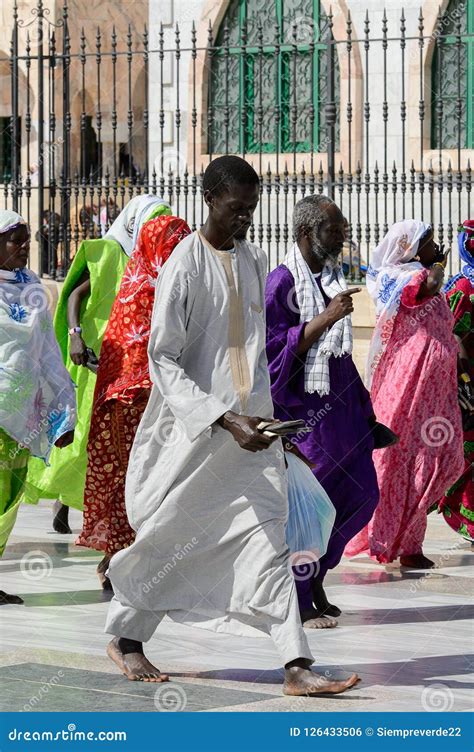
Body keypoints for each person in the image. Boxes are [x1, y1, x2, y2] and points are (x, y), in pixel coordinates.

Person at [104, 156, 359, 696]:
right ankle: (126, 636)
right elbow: (163, 358)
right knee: (171, 538)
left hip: (253, 440)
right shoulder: (184, 265)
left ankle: (295, 663)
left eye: (252, 209)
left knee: (269, 541)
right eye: (237, 208)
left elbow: (255, 359)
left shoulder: (253, 260)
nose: (246, 219)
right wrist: (224, 419)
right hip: (193, 437)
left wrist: (269, 428)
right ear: (210, 198)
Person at [22, 195, 171, 534]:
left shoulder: (153, 262)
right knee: (83, 433)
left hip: (125, 362)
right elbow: (74, 294)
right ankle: (63, 499)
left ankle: (97, 511)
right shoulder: (108, 252)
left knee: (111, 440)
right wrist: (75, 335)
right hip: (91, 357)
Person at [265, 195, 379, 628]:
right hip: (308, 422)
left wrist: (368, 414)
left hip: (344, 418)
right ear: (305, 233)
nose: (342, 236)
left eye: (343, 229)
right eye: (334, 229)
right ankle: (299, 596)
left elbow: (342, 356)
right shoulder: (281, 284)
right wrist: (326, 318)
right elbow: (271, 355)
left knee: (362, 496)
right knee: (310, 513)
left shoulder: (332, 279)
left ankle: (317, 577)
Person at [76, 214, 190, 587]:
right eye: (169, 247)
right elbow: (128, 353)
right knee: (134, 480)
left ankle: (151, 562)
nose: (174, 254)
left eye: (180, 246)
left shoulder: (179, 286)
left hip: (169, 401)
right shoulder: (138, 290)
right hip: (131, 403)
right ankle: (118, 558)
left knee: (168, 480)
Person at [345, 220, 464, 568]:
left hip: (435, 388)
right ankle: (392, 540)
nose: (434, 247)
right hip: (410, 382)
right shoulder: (403, 277)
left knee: (437, 457)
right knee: (402, 458)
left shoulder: (414, 272)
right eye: (428, 242)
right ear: (411, 247)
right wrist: (437, 264)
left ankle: (409, 538)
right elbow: (429, 284)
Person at [0, 210, 76, 604]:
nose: (24, 245)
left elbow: (49, 352)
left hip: (24, 414)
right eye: (15, 238)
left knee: (9, 497)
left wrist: (63, 410)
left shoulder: (31, 287)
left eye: (26, 237)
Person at [437, 220, 474, 543]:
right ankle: (460, 514)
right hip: (467, 381)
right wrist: (464, 381)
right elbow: (449, 333)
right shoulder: (462, 288)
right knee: (467, 452)